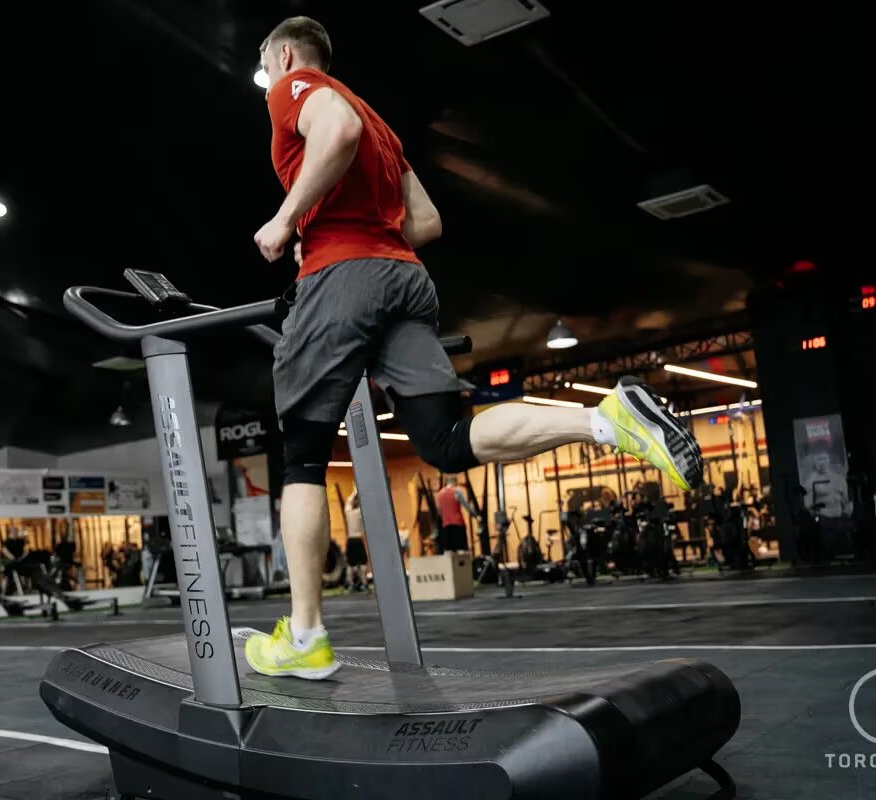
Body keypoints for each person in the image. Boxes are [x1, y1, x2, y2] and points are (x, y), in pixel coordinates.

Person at [245, 16, 703, 679]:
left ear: (284, 54)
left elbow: (334, 132)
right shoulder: (384, 127)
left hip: (340, 276)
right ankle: (607, 420)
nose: (271, 80)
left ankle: (307, 636)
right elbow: (426, 222)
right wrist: (368, 242)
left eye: (269, 65)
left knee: (304, 454)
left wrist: (288, 220)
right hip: (404, 278)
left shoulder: (297, 88)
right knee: (446, 440)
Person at [435, 475, 479, 554]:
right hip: (458, 524)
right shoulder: (457, 491)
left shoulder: (440, 494)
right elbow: (466, 505)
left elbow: (439, 512)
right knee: (461, 551)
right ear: (455, 482)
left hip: (446, 527)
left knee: (449, 552)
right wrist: (476, 515)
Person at [342, 489, 368, 590]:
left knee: (350, 564)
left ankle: (351, 585)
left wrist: (355, 491)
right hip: (357, 540)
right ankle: (364, 584)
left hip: (351, 540)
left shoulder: (348, 511)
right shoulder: (360, 512)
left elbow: (349, 501)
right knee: (362, 564)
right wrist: (358, 491)